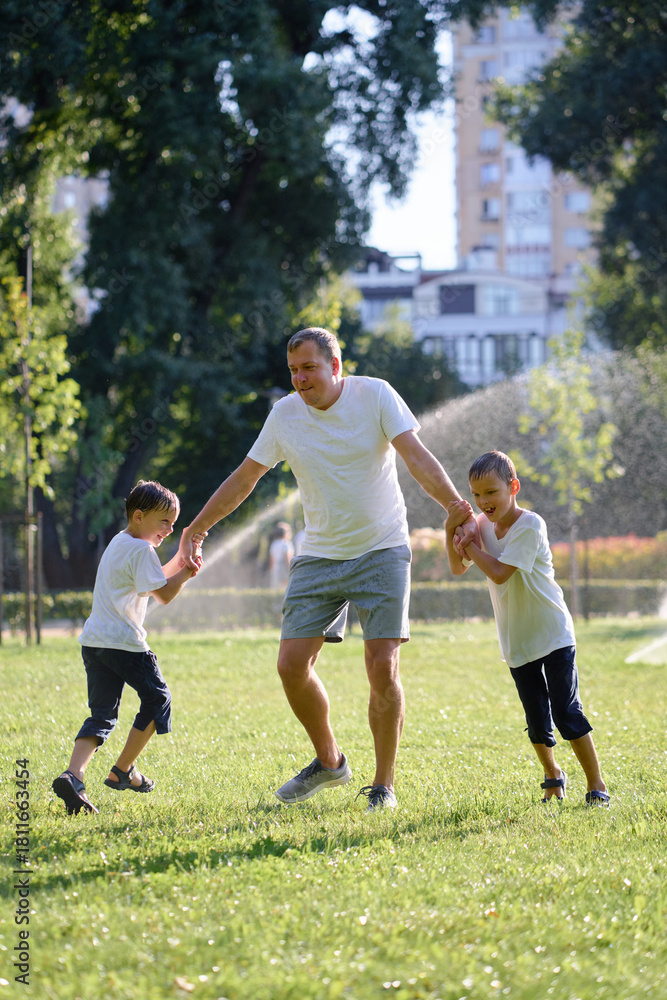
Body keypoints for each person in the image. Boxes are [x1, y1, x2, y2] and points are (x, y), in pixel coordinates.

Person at [178, 326, 474, 811]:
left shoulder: (375, 395)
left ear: (336, 367)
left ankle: (383, 786)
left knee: (382, 666)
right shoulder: (284, 416)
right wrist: (197, 528)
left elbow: (417, 458)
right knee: (291, 666)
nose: (300, 379)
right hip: (318, 553)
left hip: (382, 548)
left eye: (309, 368)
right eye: (293, 370)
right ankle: (330, 761)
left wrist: (456, 507)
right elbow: (245, 478)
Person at [445, 450, 609, 806]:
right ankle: (553, 775)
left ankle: (597, 784)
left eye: (491, 492)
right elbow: (457, 568)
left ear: (513, 487)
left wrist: (469, 542)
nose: (483, 501)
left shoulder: (530, 525)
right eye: (476, 494)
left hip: (553, 633)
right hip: (517, 639)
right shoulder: (483, 526)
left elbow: (501, 573)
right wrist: (451, 531)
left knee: (566, 711)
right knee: (536, 718)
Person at [52, 480, 203, 815]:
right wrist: (187, 573)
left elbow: (152, 582)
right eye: (164, 521)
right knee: (158, 698)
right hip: (123, 644)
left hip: (94, 643)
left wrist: (181, 562)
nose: (170, 528)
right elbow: (163, 593)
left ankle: (73, 775)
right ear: (139, 516)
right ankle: (123, 770)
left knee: (102, 715)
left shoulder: (120, 543)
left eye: (173, 523)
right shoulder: (142, 550)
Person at [269, 521, 294, 589]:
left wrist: (272, 573)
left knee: (277, 590)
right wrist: (291, 572)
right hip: (284, 572)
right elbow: (287, 559)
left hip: (275, 571)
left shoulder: (273, 545)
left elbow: (272, 561)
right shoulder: (286, 544)